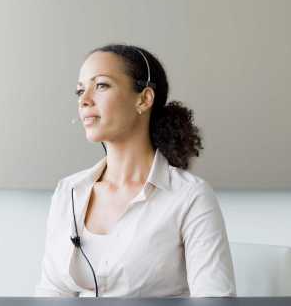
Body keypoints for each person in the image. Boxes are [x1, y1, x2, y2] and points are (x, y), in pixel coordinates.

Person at [34, 44, 236, 298]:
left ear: (144, 98)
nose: (84, 101)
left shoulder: (190, 196)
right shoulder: (69, 191)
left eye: (101, 85)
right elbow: (53, 292)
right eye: (79, 90)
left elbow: (214, 299)